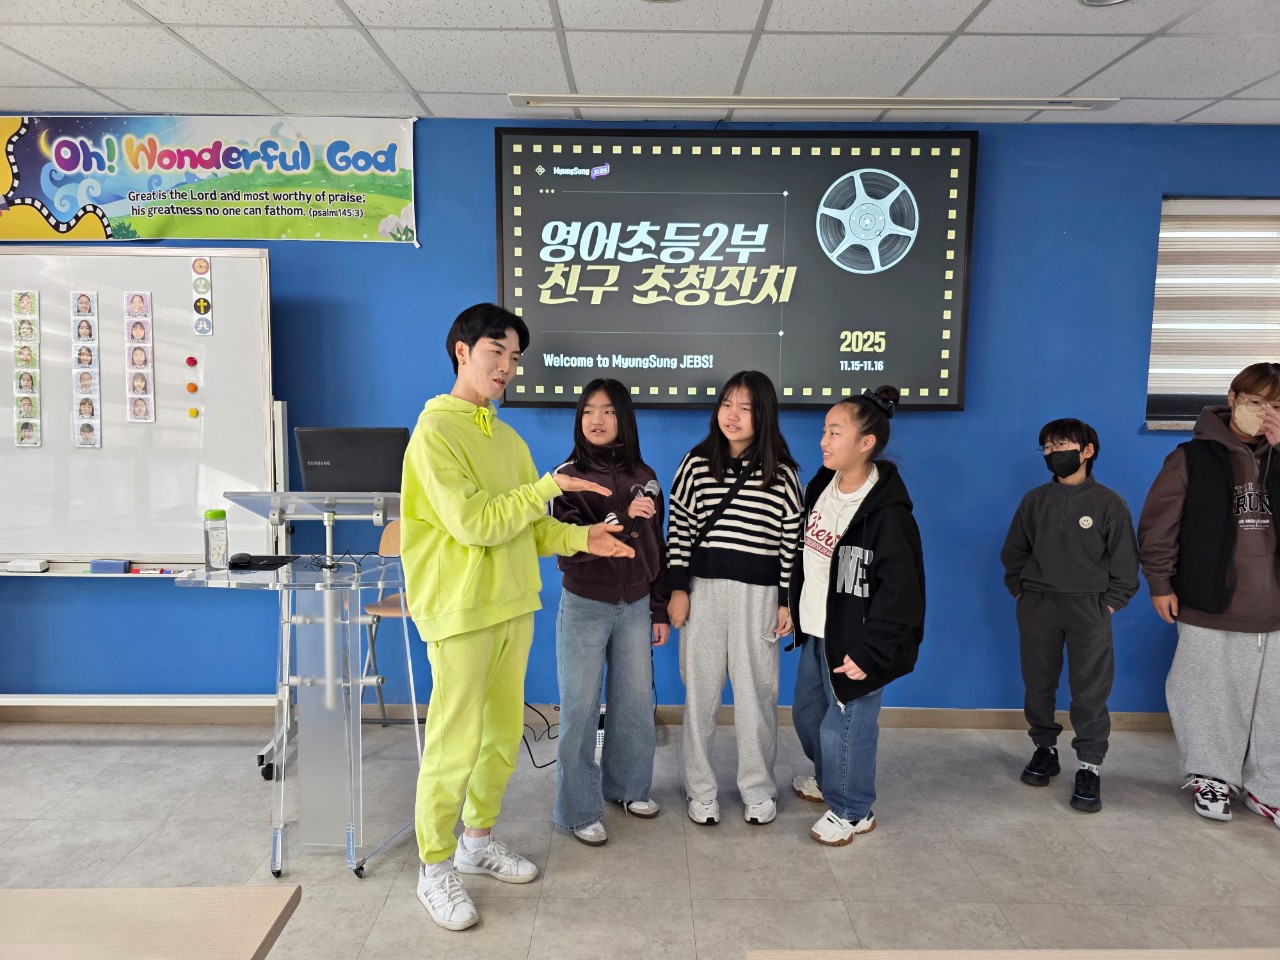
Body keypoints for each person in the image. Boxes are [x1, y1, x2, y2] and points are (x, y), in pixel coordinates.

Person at [402, 303, 635, 932]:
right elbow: (475, 523)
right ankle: (434, 868)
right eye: (495, 353)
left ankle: (476, 843)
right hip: (461, 610)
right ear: (462, 352)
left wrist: (585, 539)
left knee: (503, 737)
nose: (506, 367)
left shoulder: (507, 439)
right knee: (454, 743)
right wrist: (548, 488)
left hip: (512, 604)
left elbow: (528, 528)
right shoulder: (435, 433)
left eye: (514, 357)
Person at [1138, 362, 1280, 826]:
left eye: (1277, 406)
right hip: (1210, 602)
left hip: (1275, 607)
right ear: (1233, 399)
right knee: (1205, 694)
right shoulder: (1191, 457)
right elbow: (1159, 525)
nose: (1264, 413)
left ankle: (1269, 787)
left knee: (1274, 705)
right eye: (1256, 401)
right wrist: (1159, 582)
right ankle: (1211, 776)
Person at [789, 387, 925, 844]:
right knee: (809, 715)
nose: (823, 441)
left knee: (846, 726)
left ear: (866, 443)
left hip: (858, 643)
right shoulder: (821, 488)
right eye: (824, 431)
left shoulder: (888, 515)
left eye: (834, 432)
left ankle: (852, 809)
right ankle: (831, 780)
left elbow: (902, 596)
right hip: (816, 632)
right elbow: (805, 559)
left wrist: (872, 651)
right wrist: (790, 607)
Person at [667, 369, 803, 826]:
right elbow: (679, 529)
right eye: (727, 404)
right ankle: (700, 790)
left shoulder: (783, 474)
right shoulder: (695, 463)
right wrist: (677, 589)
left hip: (758, 598)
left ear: (764, 414)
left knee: (756, 697)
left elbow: (791, 543)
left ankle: (758, 789)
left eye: (745, 407)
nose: (733, 415)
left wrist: (786, 601)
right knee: (700, 696)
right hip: (703, 593)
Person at [550, 378, 669, 846]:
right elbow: (565, 547)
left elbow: (656, 549)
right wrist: (618, 521)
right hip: (584, 604)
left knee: (635, 702)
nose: (596, 420)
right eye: (588, 411)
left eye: (608, 411)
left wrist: (658, 607)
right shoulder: (566, 476)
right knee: (580, 708)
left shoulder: (645, 475)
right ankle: (578, 809)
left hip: (636, 604)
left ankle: (629, 787)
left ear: (624, 418)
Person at [1000, 418, 1139, 813]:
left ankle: (1089, 766)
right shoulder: (1034, 501)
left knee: (1090, 688)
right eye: (1047, 447)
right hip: (1038, 605)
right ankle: (1045, 749)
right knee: (1038, 682)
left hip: (1089, 607)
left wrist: (1108, 603)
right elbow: (1014, 552)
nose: (1053, 453)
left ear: (1087, 451)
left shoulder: (1109, 503)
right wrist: (1022, 591)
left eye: (1061, 445)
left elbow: (1126, 562)